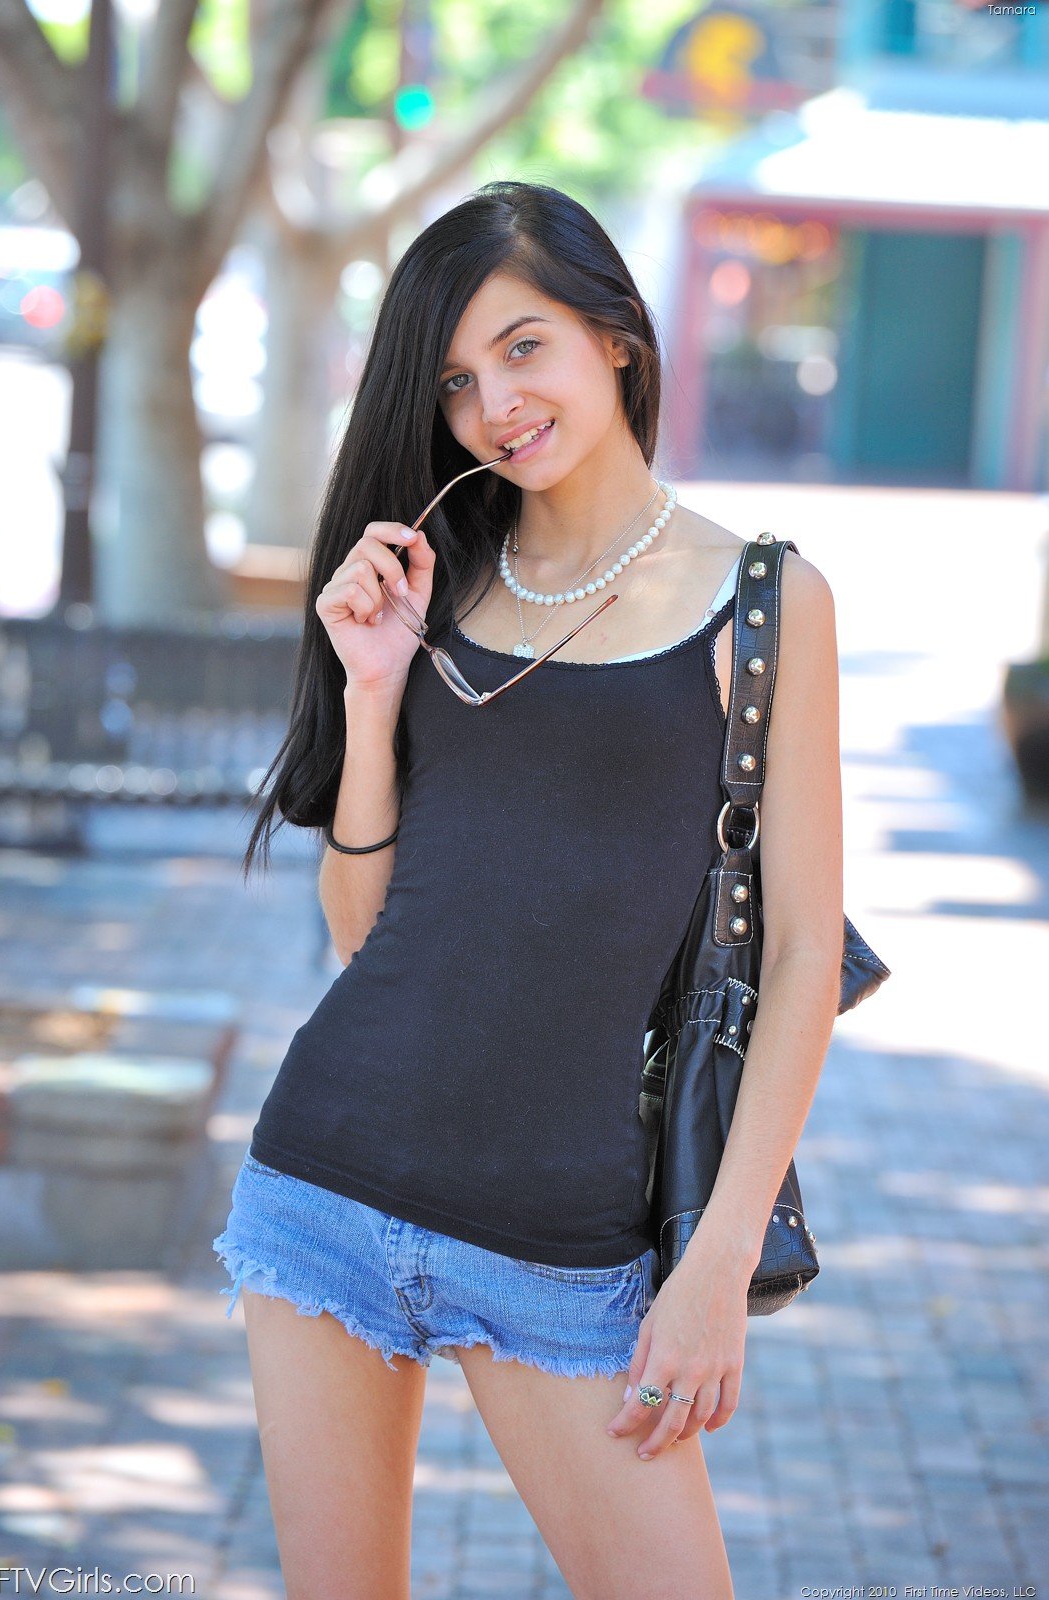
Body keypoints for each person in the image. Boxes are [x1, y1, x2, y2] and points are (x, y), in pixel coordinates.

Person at [213, 179, 844, 1599]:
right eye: (454, 380)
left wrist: (714, 1272)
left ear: (614, 335)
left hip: (563, 1251)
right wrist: (376, 698)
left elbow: (804, 953)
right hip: (327, 1190)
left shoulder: (764, 602)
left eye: (522, 347)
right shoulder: (453, 585)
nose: (493, 404)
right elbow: (362, 935)